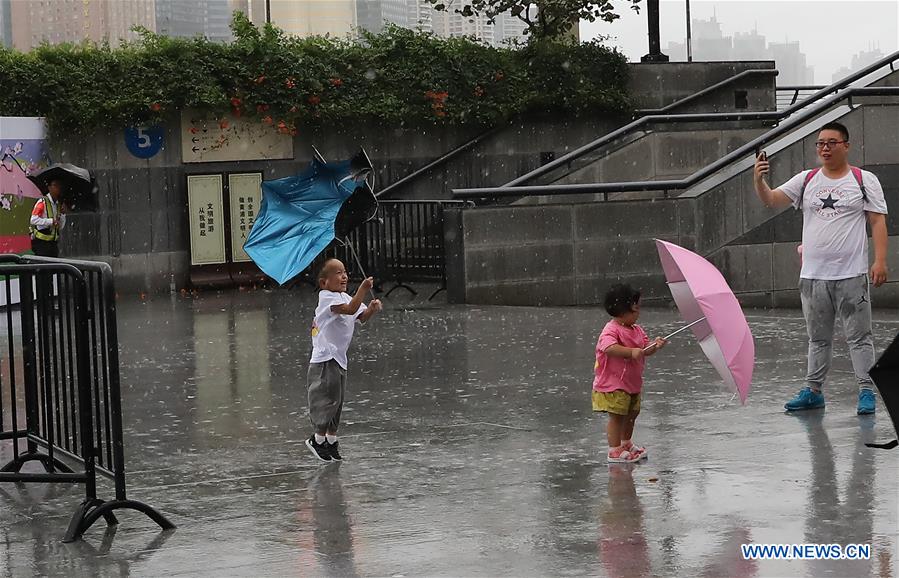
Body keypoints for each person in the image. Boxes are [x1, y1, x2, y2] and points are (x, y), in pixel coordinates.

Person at [753, 121, 888, 414]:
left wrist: (879, 260)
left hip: (851, 274)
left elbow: (877, 221)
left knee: (860, 337)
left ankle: (866, 391)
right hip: (813, 277)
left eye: (831, 142)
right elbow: (772, 199)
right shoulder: (807, 179)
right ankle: (813, 390)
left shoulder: (864, 180)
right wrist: (759, 182)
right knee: (818, 338)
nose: (825, 148)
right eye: (820, 143)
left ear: (846, 146)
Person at [305, 259, 382, 462]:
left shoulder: (345, 296)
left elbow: (360, 315)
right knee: (326, 399)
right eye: (338, 273)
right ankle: (317, 439)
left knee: (337, 401)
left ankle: (331, 440)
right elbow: (349, 309)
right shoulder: (327, 298)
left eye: (345, 272)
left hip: (339, 358)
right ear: (324, 283)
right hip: (325, 358)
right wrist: (364, 289)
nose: (344, 276)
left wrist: (371, 309)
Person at [593, 283, 666, 463]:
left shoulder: (637, 330)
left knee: (632, 414)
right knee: (617, 416)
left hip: (632, 383)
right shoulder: (611, 329)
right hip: (614, 383)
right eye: (635, 309)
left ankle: (626, 442)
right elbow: (608, 347)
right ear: (621, 311)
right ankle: (614, 449)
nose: (638, 313)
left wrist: (654, 346)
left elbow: (644, 349)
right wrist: (630, 352)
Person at [29, 179, 67, 257]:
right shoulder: (42, 202)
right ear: (49, 187)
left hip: (53, 244)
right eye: (55, 185)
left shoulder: (58, 204)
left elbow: (60, 227)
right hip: (41, 244)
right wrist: (50, 221)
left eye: (59, 186)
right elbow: (33, 220)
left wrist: (63, 214)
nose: (58, 188)